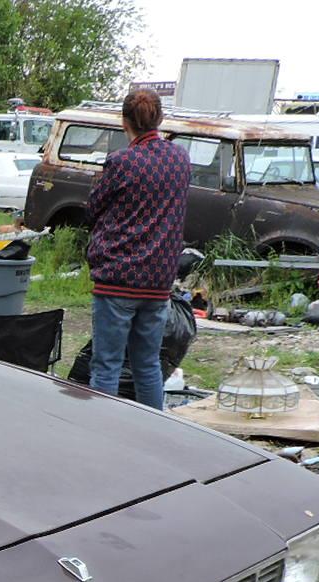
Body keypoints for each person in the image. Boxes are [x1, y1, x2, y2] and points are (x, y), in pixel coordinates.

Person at [85, 89, 191, 410]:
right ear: (159, 119)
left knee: (107, 366)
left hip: (117, 277)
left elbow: (93, 209)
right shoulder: (180, 159)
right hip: (158, 282)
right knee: (148, 366)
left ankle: (101, 432)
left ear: (124, 122)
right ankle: (152, 433)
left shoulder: (122, 162)